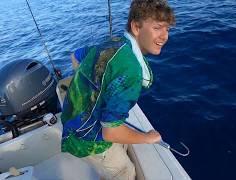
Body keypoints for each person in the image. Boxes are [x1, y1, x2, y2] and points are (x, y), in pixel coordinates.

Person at [60, 0, 176, 179]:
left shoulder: (114, 41)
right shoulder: (131, 72)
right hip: (85, 138)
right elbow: (110, 132)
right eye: (157, 28)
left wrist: (87, 89)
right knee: (125, 171)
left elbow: (76, 55)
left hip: (71, 119)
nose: (164, 36)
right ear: (136, 27)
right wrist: (148, 137)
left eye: (167, 29)